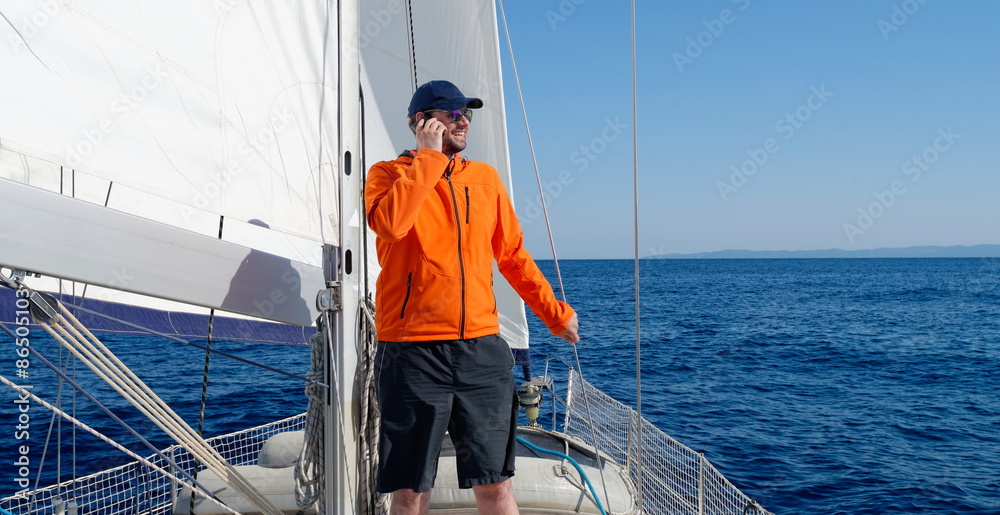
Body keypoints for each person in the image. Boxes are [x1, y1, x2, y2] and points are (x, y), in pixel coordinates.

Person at [365, 80, 580, 515]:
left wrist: (554, 316)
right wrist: (427, 159)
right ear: (422, 122)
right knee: (409, 492)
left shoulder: (484, 179)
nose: (463, 121)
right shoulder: (388, 174)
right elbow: (391, 225)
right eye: (452, 113)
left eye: (467, 113)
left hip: (481, 350)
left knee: (495, 485)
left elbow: (513, 256)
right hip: (411, 352)